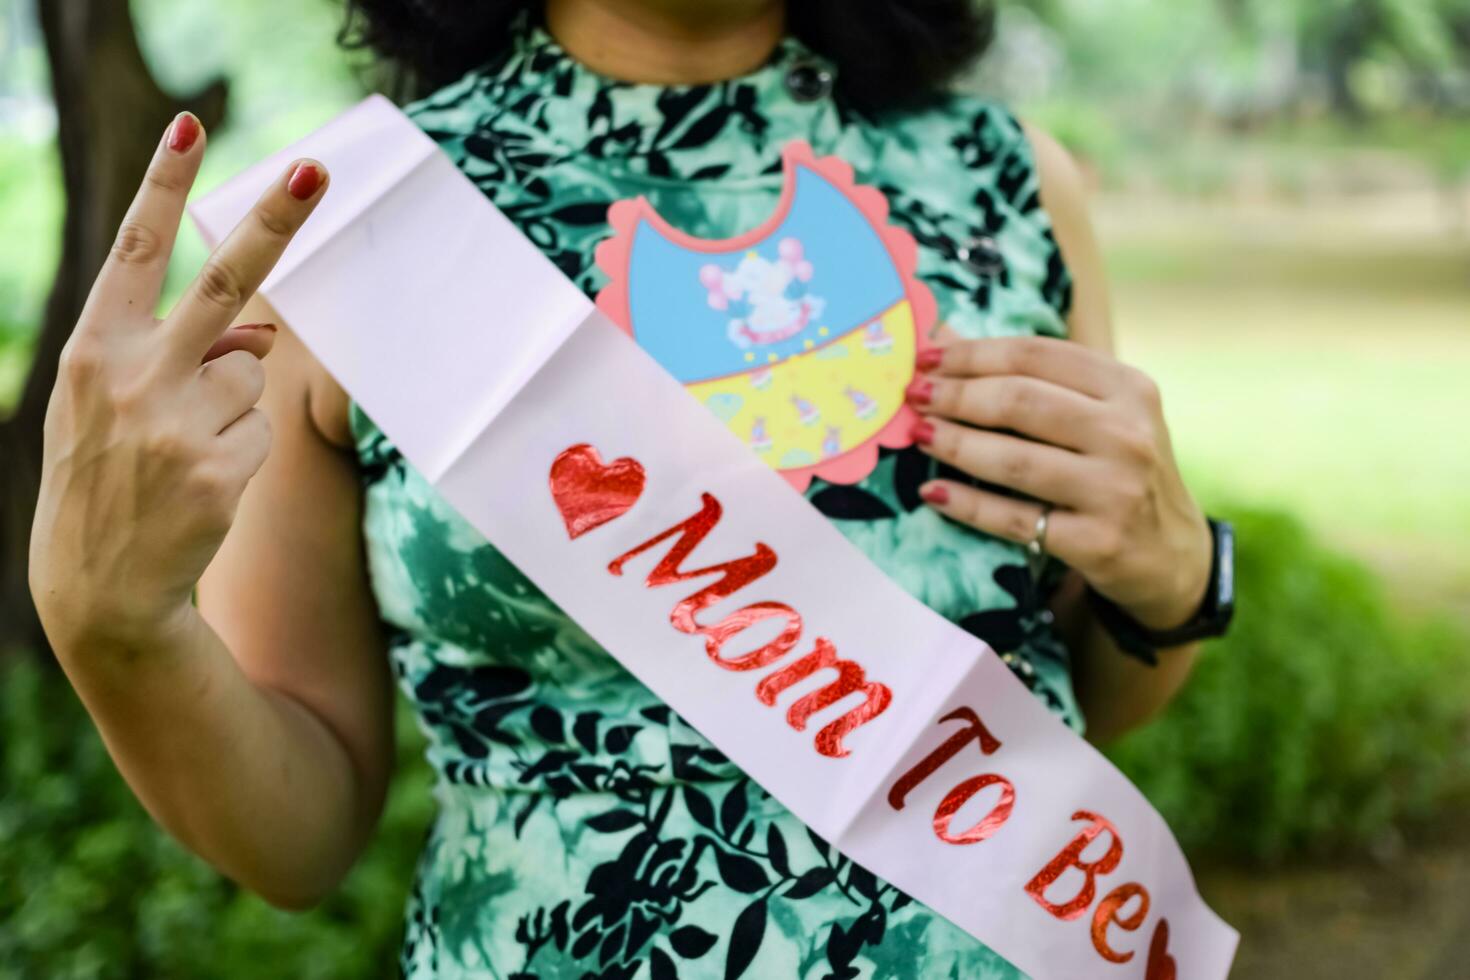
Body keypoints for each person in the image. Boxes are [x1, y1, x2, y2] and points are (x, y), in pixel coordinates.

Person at [28, 1, 1230, 976]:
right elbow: (297, 836)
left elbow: (1068, 698)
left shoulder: (1009, 183)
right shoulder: (356, 235)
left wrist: (1178, 581)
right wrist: (113, 626)